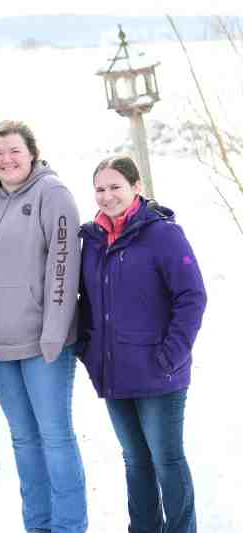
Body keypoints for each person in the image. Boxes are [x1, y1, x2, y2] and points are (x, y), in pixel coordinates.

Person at [0, 120, 87, 533]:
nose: (7, 159)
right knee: (23, 441)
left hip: (44, 343)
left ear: (32, 153)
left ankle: (68, 526)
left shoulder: (54, 195)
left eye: (15, 150)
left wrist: (54, 332)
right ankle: (38, 524)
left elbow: (63, 268)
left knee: (55, 438)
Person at [79, 155, 207, 533]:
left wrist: (171, 355)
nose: (107, 196)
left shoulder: (162, 234)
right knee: (135, 460)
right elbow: (85, 302)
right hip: (114, 372)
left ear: (137, 188)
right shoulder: (93, 240)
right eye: (100, 189)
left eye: (115, 186)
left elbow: (192, 296)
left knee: (166, 460)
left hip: (159, 372)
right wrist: (88, 350)